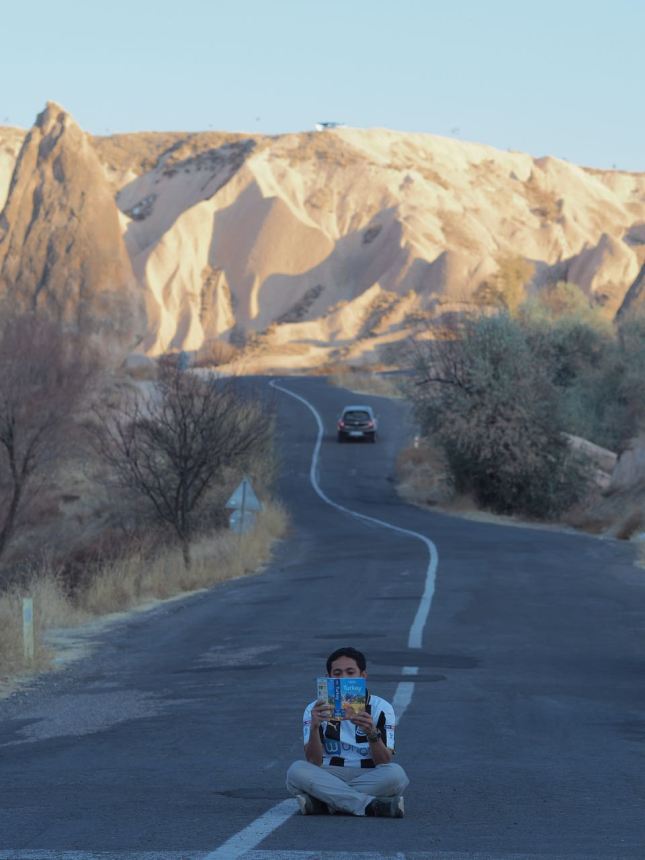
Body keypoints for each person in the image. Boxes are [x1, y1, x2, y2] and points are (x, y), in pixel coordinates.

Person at [286, 646, 409, 817]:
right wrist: (314, 727)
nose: (343, 678)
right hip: (329, 772)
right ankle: (368, 805)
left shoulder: (381, 708)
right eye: (337, 673)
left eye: (350, 672)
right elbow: (313, 760)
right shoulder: (314, 709)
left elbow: (384, 760)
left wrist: (372, 733)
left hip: (368, 773)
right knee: (296, 771)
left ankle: (325, 802)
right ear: (329, 678)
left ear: (363, 676)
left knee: (396, 775)